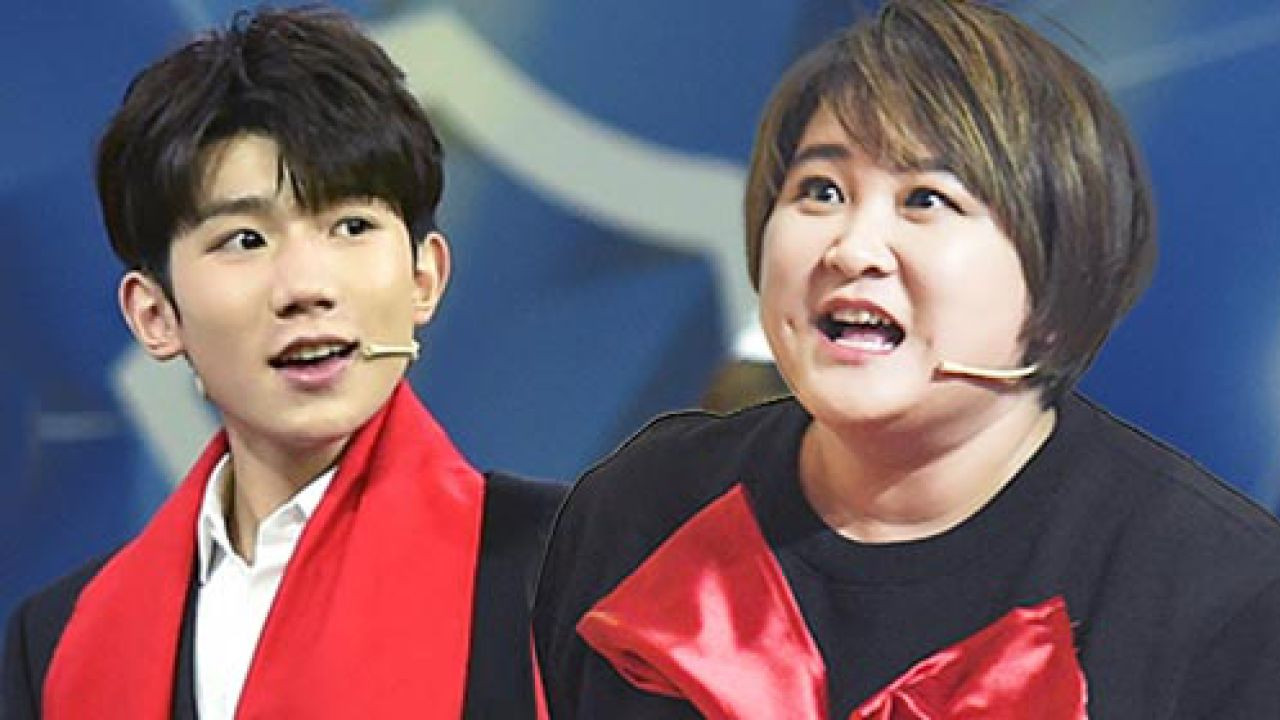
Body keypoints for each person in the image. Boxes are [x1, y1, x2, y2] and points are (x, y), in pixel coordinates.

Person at [532, 1, 1280, 717]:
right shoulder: (642, 505)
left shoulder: (1222, 598)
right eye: (821, 191)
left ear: (1058, 278)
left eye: (925, 200)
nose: (852, 248)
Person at [2, 7, 563, 719]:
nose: (305, 287)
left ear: (425, 278)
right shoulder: (61, 643)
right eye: (244, 240)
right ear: (155, 315)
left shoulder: (565, 569)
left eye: (351, 226)